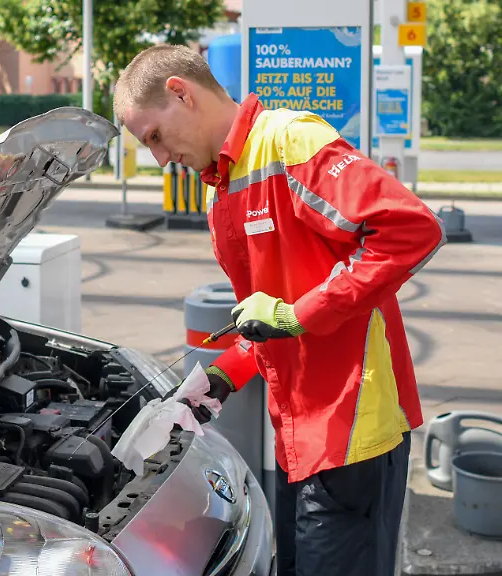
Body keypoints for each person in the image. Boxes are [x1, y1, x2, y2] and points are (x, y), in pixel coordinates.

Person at [113, 44, 446, 576]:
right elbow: (267, 314)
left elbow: (412, 230)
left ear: (181, 93)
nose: (159, 157)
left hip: (354, 428)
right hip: (297, 433)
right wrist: (223, 376)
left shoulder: (291, 142)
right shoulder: (221, 194)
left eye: (154, 136)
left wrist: (299, 314)